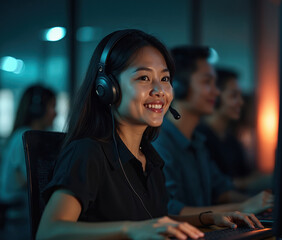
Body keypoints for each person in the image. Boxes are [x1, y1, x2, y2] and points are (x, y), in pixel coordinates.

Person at [36, 30, 264, 240]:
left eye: (164, 79)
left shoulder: (150, 158)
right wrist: (130, 230)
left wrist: (207, 217)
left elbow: (155, 222)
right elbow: (49, 231)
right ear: (107, 88)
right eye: (143, 78)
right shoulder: (88, 152)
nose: (159, 91)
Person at [152, 46, 273, 216]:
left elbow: (222, 190)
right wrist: (244, 207)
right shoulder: (159, 142)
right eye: (207, 82)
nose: (216, 92)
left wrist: (265, 203)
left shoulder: (197, 141)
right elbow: (170, 210)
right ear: (179, 86)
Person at [0, 84, 57, 239]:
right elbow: (37, 182)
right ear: (37, 109)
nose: (56, 113)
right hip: (18, 225)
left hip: (25, 221)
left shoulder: (34, 137)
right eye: (52, 106)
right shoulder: (22, 138)